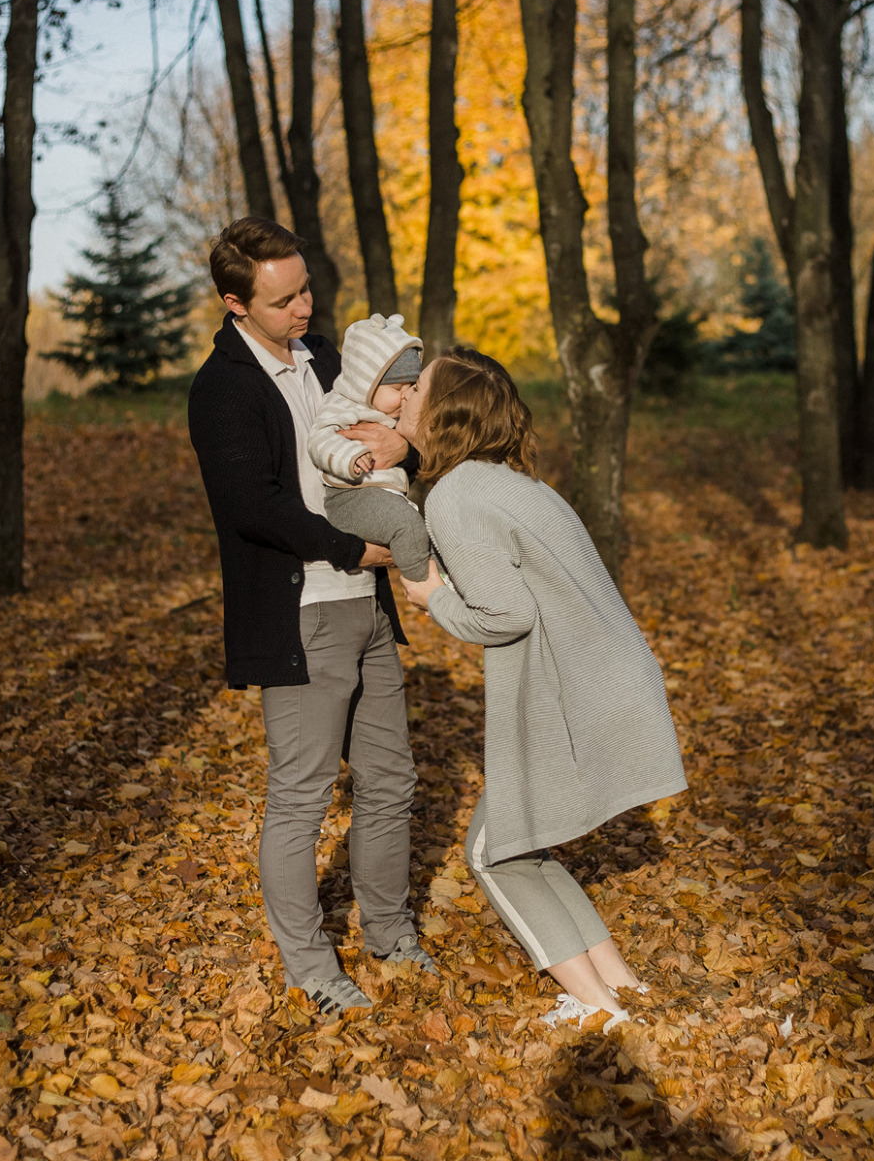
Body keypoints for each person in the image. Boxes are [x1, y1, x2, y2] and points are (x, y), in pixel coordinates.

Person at [186, 217, 437, 1016]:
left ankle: (390, 931)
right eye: (284, 298)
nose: (304, 308)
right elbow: (248, 506)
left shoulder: (330, 359)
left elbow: (392, 430)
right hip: (299, 616)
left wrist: (408, 454)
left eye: (306, 290)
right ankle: (311, 968)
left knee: (392, 779)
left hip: (367, 607)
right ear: (235, 303)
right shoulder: (220, 388)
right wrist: (348, 550)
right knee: (302, 794)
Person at [398, 347, 689, 1030]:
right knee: (521, 844)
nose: (405, 396)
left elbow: (509, 613)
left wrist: (434, 597)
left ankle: (593, 1010)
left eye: (418, 390)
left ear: (445, 412)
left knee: (491, 853)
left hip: (576, 695)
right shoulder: (514, 483)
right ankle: (618, 986)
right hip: (608, 682)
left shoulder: (455, 496)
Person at [306, 312, 434, 581]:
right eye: (397, 387)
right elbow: (320, 439)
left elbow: (424, 450)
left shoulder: (395, 411)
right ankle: (424, 586)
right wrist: (348, 456)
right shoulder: (342, 404)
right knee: (408, 527)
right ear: (367, 383)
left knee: (426, 530)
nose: (405, 395)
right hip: (350, 497)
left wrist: (406, 446)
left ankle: (438, 577)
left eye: (411, 386)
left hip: (384, 497)